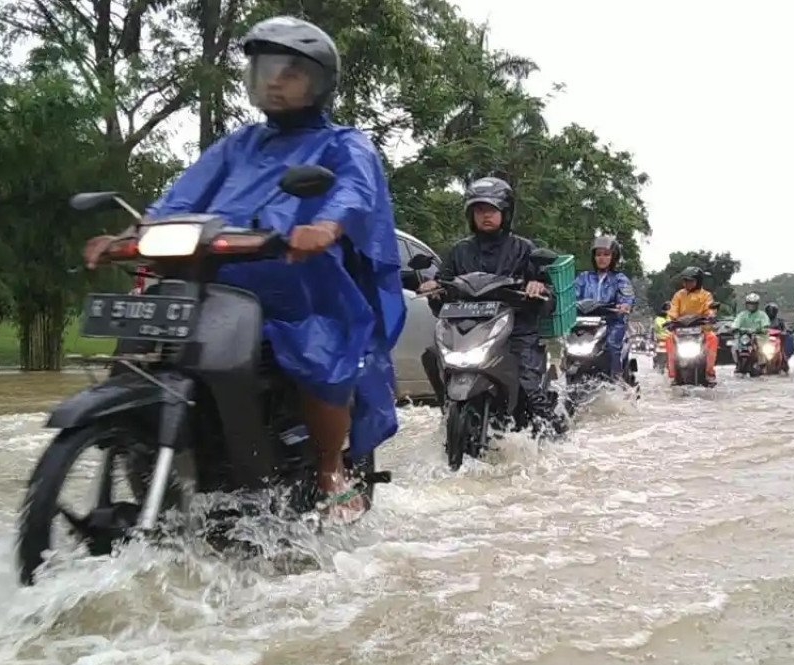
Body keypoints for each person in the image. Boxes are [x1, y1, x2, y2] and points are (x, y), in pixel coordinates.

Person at [83, 17, 404, 522]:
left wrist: (325, 224)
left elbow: (354, 192)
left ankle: (328, 469)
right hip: (219, 271)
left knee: (322, 355)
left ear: (318, 81)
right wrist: (132, 234)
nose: (274, 80)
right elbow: (181, 196)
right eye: (266, 69)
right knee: (144, 344)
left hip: (302, 281)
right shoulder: (239, 144)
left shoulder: (346, 143)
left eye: (290, 71)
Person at [416, 177, 556, 429]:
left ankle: (556, 438)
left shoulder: (524, 249)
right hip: (467, 330)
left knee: (531, 390)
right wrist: (434, 290)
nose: (485, 216)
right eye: (479, 210)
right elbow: (442, 293)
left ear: (506, 212)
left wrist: (538, 287)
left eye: (491, 210)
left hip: (515, 332)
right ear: (471, 215)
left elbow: (548, 297)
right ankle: (447, 409)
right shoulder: (459, 251)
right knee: (431, 355)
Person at [573, 236, 634, 377]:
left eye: (606, 254)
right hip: (583, 322)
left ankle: (616, 378)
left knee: (613, 344)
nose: (602, 258)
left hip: (612, 321)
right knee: (568, 342)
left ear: (613, 257)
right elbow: (572, 294)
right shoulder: (584, 277)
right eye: (598, 254)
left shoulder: (620, 279)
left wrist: (625, 304)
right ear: (593, 257)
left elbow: (627, 295)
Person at [665, 266, 719, 383]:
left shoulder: (706, 295)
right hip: (680, 329)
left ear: (698, 281)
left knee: (713, 338)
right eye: (685, 280)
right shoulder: (679, 295)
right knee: (669, 339)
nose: (687, 283)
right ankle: (673, 373)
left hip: (701, 328)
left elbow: (710, 309)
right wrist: (671, 319)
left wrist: (710, 316)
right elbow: (673, 309)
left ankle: (709, 372)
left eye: (690, 280)